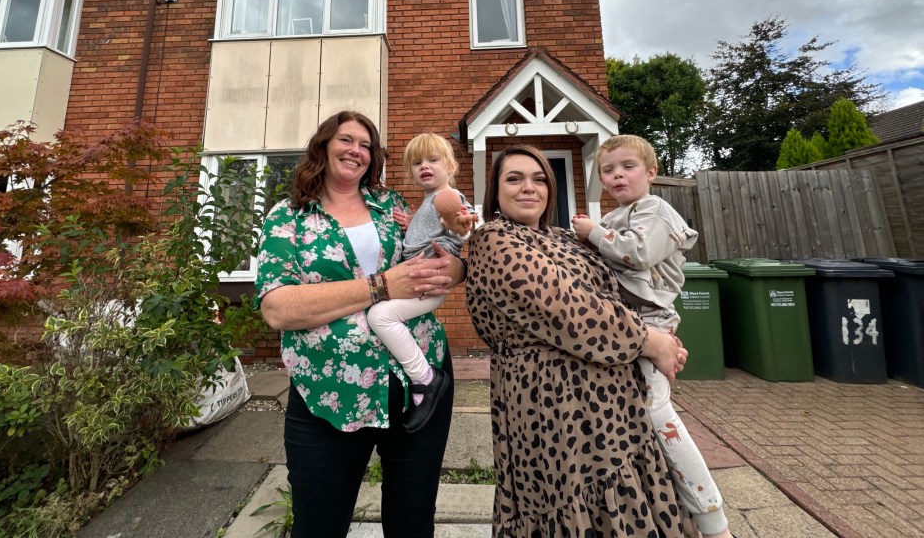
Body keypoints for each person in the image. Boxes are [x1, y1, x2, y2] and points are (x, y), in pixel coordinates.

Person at [465, 144, 696, 538]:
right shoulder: (495, 239)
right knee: (572, 508)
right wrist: (650, 341)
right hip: (554, 408)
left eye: (539, 179)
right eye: (514, 179)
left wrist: (662, 335)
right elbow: (569, 309)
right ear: (495, 191)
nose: (529, 188)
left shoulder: (565, 238)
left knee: (633, 504)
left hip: (617, 405)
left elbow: (623, 285)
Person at [255, 110, 466, 538]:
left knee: (412, 520)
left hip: (419, 386)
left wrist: (456, 270)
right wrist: (381, 285)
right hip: (328, 391)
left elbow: (437, 252)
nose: (357, 150)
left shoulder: (390, 204)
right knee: (319, 524)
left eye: (366, 145)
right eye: (347, 140)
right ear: (323, 146)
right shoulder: (289, 216)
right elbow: (278, 307)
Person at [573, 134, 732, 538]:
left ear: (651, 172)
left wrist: (591, 232)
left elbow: (638, 253)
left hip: (651, 320)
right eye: (607, 170)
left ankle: (713, 517)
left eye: (627, 166)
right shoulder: (617, 217)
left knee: (657, 411)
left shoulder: (655, 210)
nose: (616, 175)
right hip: (629, 323)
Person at [368, 133, 475, 432]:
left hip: (427, 280)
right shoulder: (430, 201)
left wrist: (462, 225)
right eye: (417, 163)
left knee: (379, 316)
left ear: (451, 166)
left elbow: (460, 227)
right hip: (421, 278)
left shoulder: (445, 197)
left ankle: (425, 378)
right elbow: (436, 229)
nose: (424, 166)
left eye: (433, 160)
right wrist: (413, 222)